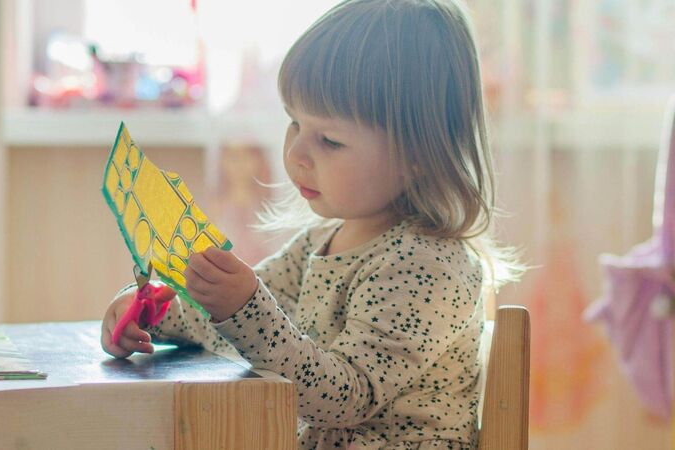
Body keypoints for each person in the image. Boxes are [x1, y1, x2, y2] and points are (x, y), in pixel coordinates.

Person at [101, 0, 522, 448]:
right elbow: (240, 325)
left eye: (330, 140)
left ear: (419, 155)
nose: (296, 153)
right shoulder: (321, 242)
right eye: (294, 123)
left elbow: (344, 397)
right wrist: (157, 313)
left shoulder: (429, 267)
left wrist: (243, 307)